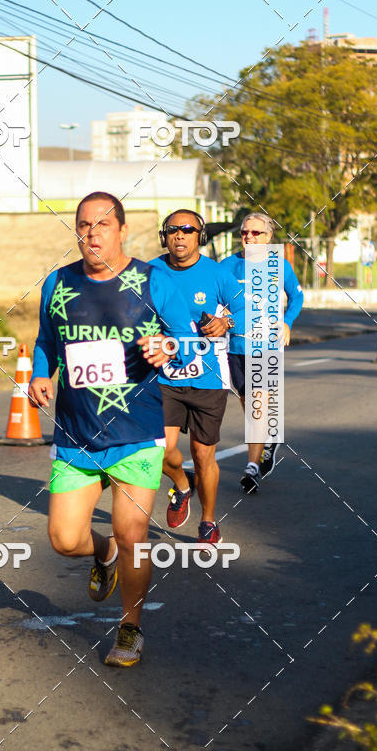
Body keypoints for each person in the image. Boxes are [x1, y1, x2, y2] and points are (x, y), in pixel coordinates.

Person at [29, 192, 196, 668]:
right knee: (63, 539)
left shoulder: (151, 279)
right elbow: (46, 342)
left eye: (102, 224)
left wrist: (167, 349)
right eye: (83, 225)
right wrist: (42, 374)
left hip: (136, 434)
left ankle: (130, 628)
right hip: (76, 436)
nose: (91, 233)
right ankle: (101, 554)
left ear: (122, 230)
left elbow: (186, 340)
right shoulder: (58, 283)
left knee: (132, 532)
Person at [149, 210, 245, 543]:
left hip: (208, 378)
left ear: (199, 237)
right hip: (166, 376)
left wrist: (226, 322)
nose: (180, 235)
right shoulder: (151, 271)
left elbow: (246, 307)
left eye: (188, 230)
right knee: (159, 450)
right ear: (165, 236)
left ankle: (207, 520)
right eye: (173, 230)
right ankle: (181, 482)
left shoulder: (217, 275)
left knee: (204, 454)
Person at [220, 212, 304, 494]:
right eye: (245, 232)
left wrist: (287, 321)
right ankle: (268, 440)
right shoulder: (228, 265)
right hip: (235, 346)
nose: (249, 237)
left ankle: (252, 467)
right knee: (249, 405)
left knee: (257, 405)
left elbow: (297, 296)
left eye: (257, 233)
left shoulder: (279, 265)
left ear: (269, 237)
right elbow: (212, 296)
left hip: (265, 345)